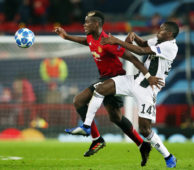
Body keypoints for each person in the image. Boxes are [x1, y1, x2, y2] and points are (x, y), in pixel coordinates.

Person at [54, 10, 162, 165]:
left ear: (97, 24)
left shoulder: (108, 42)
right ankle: (142, 144)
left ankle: (96, 138)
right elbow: (86, 41)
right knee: (115, 117)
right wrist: (67, 36)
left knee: (79, 101)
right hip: (105, 79)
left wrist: (148, 76)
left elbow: (132, 58)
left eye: (87, 22)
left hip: (115, 80)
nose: (84, 25)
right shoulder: (92, 37)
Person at [69, 21, 179, 168]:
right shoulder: (159, 40)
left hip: (148, 88)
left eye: (163, 30)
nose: (159, 31)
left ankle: (169, 156)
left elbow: (141, 52)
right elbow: (143, 44)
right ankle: (87, 126)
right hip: (136, 80)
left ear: (170, 34)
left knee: (145, 130)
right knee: (101, 88)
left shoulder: (170, 47)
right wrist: (135, 36)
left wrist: (116, 40)